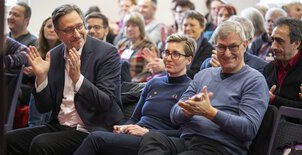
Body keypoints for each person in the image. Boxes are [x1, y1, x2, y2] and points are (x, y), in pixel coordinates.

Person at [5, 4, 124, 155]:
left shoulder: (107, 53)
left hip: (91, 128)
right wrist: (41, 78)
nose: (77, 34)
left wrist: (78, 79)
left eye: (79, 26)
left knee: (41, 143)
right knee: (8, 139)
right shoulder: (54, 55)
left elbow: (107, 102)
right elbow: (44, 107)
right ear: (58, 34)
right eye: (68, 30)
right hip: (60, 125)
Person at [138, 21, 269, 155]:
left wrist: (210, 113)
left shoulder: (255, 80)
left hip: (220, 147)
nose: (227, 53)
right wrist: (188, 110)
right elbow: (174, 115)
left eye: (233, 47)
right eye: (221, 47)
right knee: (153, 138)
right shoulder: (203, 75)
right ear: (215, 47)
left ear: (245, 45)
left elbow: (249, 129)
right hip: (187, 141)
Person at [74, 34, 194, 155]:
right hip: (136, 134)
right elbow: (135, 118)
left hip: (156, 141)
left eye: (176, 54)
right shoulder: (153, 83)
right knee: (94, 137)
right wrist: (123, 128)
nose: (168, 58)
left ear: (188, 60)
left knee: (95, 139)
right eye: (166, 52)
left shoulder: (191, 89)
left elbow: (184, 133)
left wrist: (147, 132)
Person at [200, 15, 267, 73]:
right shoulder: (208, 63)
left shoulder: (260, 66)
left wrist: (223, 71)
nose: (227, 53)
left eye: (233, 46)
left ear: (246, 42)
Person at [28, 16, 62, 127]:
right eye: (48, 26)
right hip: (37, 87)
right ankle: (33, 128)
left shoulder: (64, 50)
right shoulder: (36, 48)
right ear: (43, 29)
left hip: (55, 90)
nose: (51, 30)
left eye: (54, 27)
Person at [263, 17, 302, 109]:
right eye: (272, 40)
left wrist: (273, 99)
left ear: (296, 44)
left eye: (279, 41)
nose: (273, 47)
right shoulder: (269, 68)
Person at [117, 12, 159, 82]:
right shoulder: (121, 44)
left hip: (135, 87)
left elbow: (148, 73)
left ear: (141, 28)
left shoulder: (148, 47)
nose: (130, 29)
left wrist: (130, 84)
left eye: (134, 26)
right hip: (117, 83)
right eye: (127, 26)